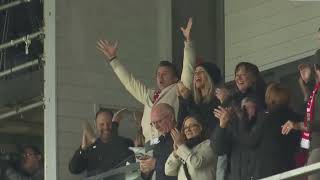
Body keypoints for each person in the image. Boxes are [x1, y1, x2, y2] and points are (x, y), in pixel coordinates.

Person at [97, 18, 195, 142]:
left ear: (175, 77)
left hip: (169, 142)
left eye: (165, 74)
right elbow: (129, 83)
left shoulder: (178, 89)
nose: (160, 77)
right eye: (158, 74)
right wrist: (113, 60)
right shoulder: (151, 95)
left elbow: (188, 70)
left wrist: (189, 42)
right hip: (149, 144)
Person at [235, 83, 301, 179]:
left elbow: (250, 141)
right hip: (292, 169)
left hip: (268, 173)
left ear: (269, 99)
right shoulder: (297, 117)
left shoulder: (266, 119)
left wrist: (243, 119)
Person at [283, 29, 320, 179]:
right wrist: (305, 85)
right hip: (314, 145)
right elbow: (310, 109)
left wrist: (298, 125)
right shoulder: (316, 89)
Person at [68, 108, 134, 177]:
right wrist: (82, 149)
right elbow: (74, 169)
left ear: (115, 124)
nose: (106, 127)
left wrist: (114, 128)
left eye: (109, 124)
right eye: (101, 124)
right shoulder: (90, 148)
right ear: (96, 125)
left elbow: (114, 159)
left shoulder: (126, 143)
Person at [165, 114, 217, 180]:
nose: (188, 130)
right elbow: (168, 171)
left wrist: (181, 145)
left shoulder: (209, 144)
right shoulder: (183, 147)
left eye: (192, 126)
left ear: (201, 127)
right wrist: (175, 154)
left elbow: (196, 163)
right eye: (185, 128)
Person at [177, 62, 222, 135]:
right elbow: (180, 125)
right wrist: (182, 99)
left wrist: (187, 99)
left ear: (210, 76)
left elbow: (203, 125)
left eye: (201, 71)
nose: (197, 74)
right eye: (195, 72)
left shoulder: (218, 100)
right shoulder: (193, 100)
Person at [139, 103, 177, 180]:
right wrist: (146, 170)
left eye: (159, 121)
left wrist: (156, 164)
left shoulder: (184, 134)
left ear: (171, 117)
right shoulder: (159, 141)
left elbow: (182, 164)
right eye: (153, 123)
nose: (156, 127)